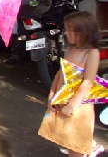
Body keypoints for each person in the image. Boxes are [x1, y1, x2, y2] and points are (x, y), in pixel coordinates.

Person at [38, 11, 100, 157]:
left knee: (75, 145)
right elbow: (60, 74)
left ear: (82, 32)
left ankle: (89, 147)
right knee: (66, 138)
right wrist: (52, 95)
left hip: (79, 106)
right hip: (63, 100)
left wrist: (71, 104)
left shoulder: (91, 53)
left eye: (70, 30)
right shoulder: (70, 49)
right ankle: (89, 146)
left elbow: (87, 83)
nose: (66, 33)